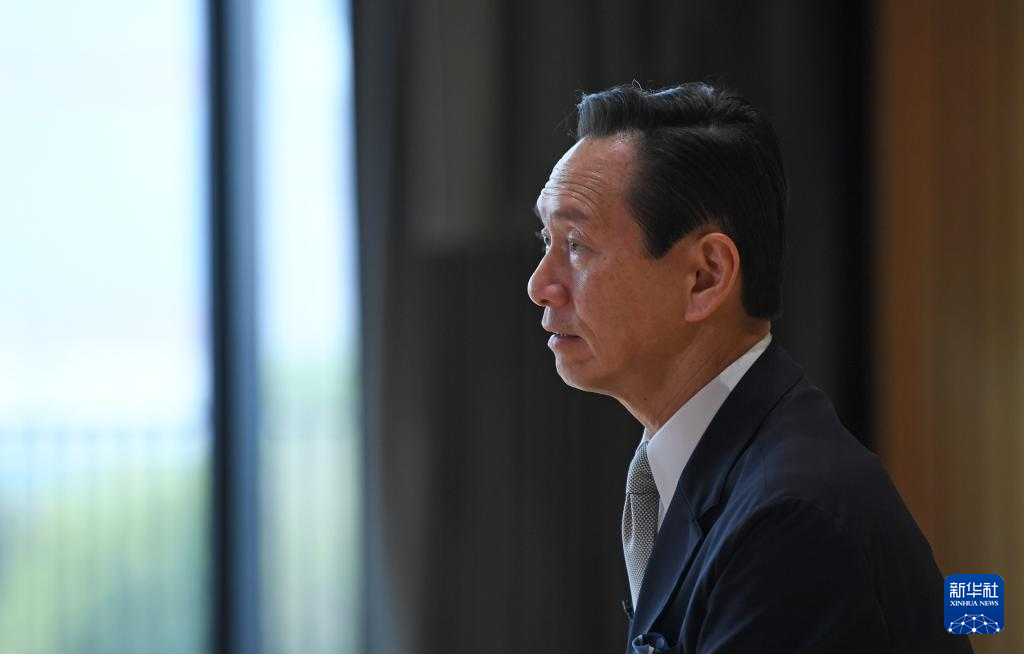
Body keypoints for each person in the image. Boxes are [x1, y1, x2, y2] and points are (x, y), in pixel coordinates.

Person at [526, 83, 972, 654]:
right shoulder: (720, 465)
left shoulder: (793, 520)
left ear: (705, 277)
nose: (540, 285)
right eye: (547, 239)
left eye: (576, 244)